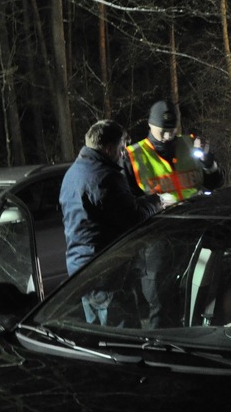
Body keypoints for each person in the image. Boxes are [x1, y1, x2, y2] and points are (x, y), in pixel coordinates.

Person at [123, 99, 223, 327]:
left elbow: (215, 181)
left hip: (195, 234)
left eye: (172, 130)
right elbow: (127, 207)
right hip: (156, 241)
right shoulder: (134, 156)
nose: (168, 136)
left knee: (195, 302)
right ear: (150, 125)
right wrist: (154, 204)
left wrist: (208, 162)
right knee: (161, 305)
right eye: (163, 131)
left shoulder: (189, 145)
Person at [60, 120, 161, 323]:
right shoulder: (105, 177)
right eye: (121, 148)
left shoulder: (74, 173)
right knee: (121, 342)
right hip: (108, 274)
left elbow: (109, 210)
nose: (123, 154)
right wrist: (156, 202)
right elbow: (133, 219)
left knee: (98, 336)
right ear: (108, 148)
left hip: (82, 271)